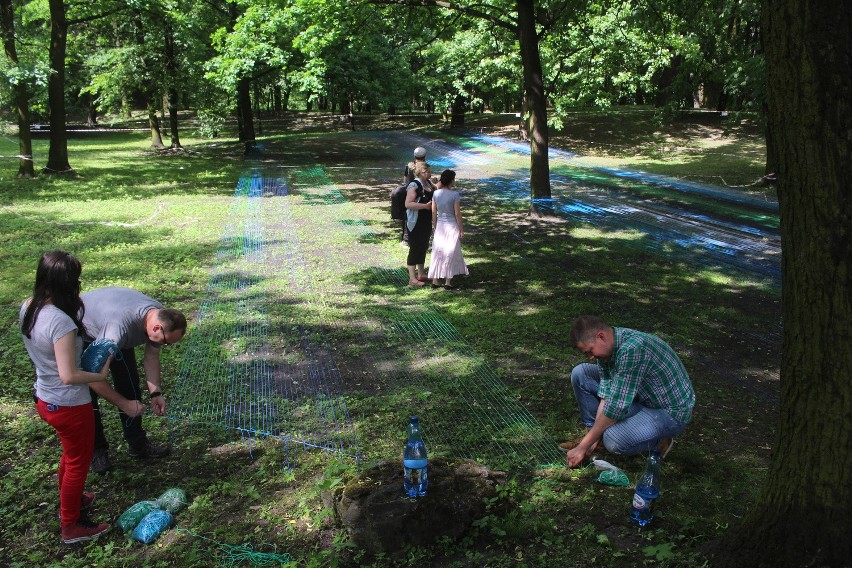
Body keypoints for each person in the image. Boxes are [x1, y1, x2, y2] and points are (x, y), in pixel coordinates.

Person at [19, 251, 144, 544]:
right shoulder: (61, 323)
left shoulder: (28, 307)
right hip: (68, 403)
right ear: (67, 282)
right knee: (78, 462)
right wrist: (101, 375)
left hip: (45, 397)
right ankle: (71, 525)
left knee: (70, 454)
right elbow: (70, 375)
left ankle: (72, 501)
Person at [562, 315, 695, 468]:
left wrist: (582, 447)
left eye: (589, 351)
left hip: (669, 412)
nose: (590, 357)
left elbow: (615, 408)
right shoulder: (607, 349)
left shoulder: (632, 350)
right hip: (641, 398)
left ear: (601, 336)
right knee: (581, 373)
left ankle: (661, 441)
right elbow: (607, 396)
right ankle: (594, 439)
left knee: (613, 440)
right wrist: (591, 440)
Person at [82, 287, 187, 473]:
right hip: (87, 334)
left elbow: (151, 356)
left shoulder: (159, 315)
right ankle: (98, 451)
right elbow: (92, 378)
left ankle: (137, 444)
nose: (165, 346)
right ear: (156, 328)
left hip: (117, 330)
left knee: (129, 384)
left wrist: (156, 392)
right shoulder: (117, 330)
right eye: (166, 342)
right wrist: (124, 404)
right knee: (88, 398)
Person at [428, 169, 468, 290]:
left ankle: (435, 279)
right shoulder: (455, 195)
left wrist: (435, 225)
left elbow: (434, 211)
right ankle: (447, 281)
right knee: (450, 251)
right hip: (451, 226)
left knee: (438, 251)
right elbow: (457, 214)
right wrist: (461, 229)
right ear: (451, 180)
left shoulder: (436, 193)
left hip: (440, 225)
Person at [404, 161, 435, 286]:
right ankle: (412, 278)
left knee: (423, 246)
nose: (431, 173)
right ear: (423, 172)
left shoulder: (427, 183)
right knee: (415, 248)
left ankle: (421, 273)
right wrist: (425, 206)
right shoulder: (414, 185)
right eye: (429, 171)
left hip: (426, 221)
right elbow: (408, 204)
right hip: (415, 221)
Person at [400, 146, 427, 246]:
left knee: (408, 215)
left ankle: (406, 239)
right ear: (424, 156)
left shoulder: (409, 165)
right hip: (420, 193)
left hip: (408, 193)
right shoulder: (424, 167)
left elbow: (404, 180)